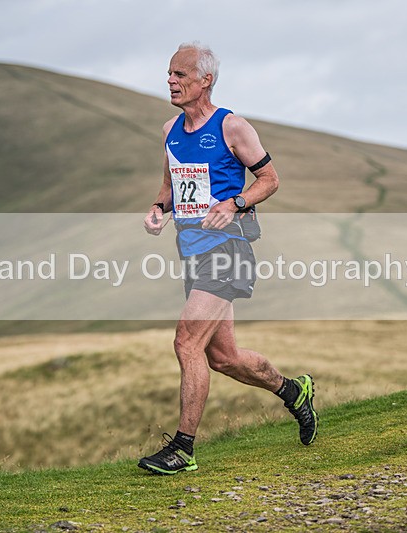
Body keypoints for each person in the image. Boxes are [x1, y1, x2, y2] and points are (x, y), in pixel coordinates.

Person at [139, 41, 318, 475]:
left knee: (186, 340)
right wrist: (159, 210)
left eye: (180, 75)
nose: (171, 81)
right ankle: (293, 391)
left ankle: (183, 450)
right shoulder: (169, 131)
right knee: (223, 358)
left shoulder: (231, 127)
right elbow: (169, 188)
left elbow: (269, 179)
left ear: (206, 81)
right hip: (192, 253)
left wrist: (235, 202)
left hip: (230, 249)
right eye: (169, 73)